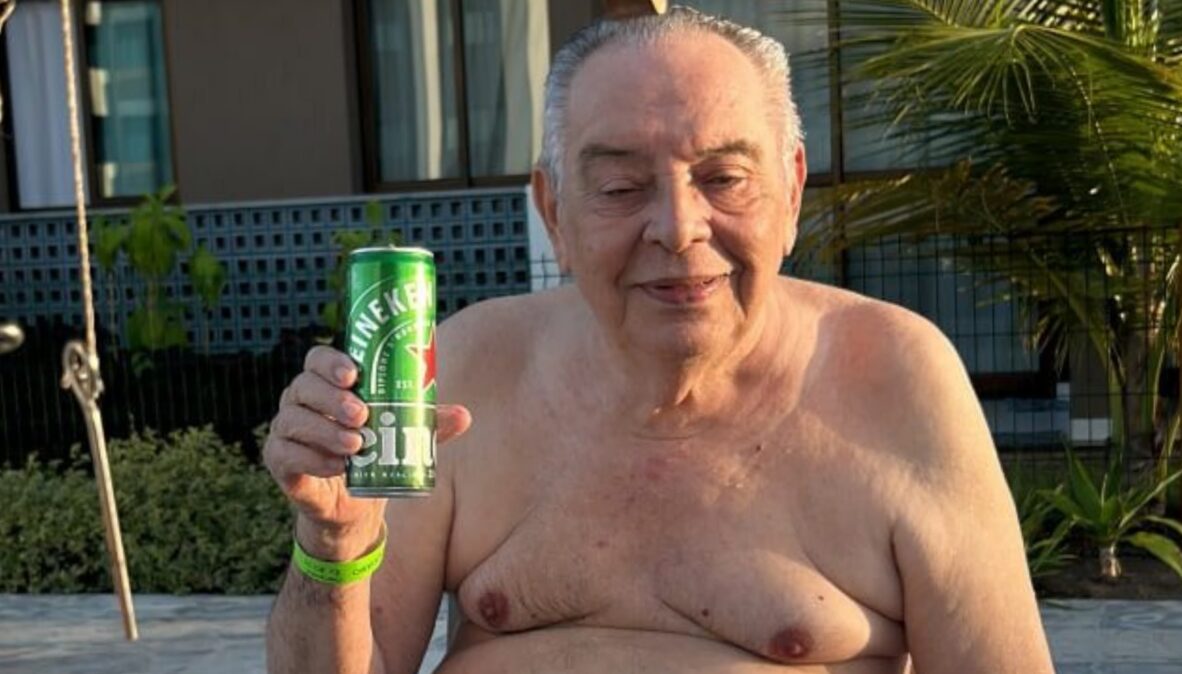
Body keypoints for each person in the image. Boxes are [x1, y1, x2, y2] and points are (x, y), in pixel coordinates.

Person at [264, 7, 1056, 673]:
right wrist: (332, 545)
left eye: (724, 179)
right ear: (554, 212)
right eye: (621, 187)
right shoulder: (471, 364)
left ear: (791, 191)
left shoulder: (895, 375)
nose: (678, 228)